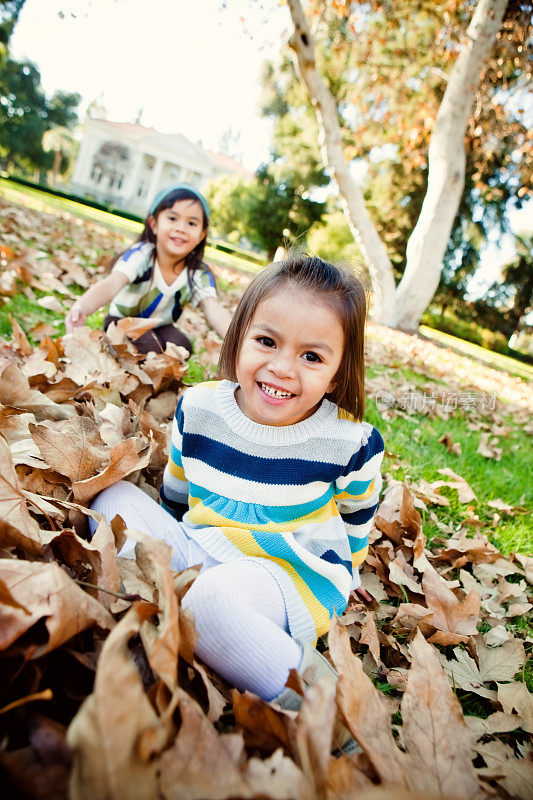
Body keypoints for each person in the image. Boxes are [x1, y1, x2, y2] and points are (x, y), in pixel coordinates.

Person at [90, 254, 384, 709]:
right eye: (267, 341)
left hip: (284, 574)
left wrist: (352, 567)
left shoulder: (346, 441)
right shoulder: (202, 408)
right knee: (112, 500)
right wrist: (165, 539)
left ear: (337, 372)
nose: (283, 367)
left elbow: (356, 511)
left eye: (311, 356)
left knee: (210, 602)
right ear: (240, 337)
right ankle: (177, 603)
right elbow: (178, 486)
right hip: (201, 544)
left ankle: (315, 698)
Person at [65, 183, 231, 355]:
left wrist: (238, 340)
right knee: (148, 347)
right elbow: (111, 284)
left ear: (202, 234)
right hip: (122, 322)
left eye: (191, 223)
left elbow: (213, 309)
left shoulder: (197, 272)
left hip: (159, 326)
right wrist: (82, 307)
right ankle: (117, 350)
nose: (181, 228)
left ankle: (153, 359)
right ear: (154, 224)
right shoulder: (142, 255)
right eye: (172, 219)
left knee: (182, 346)